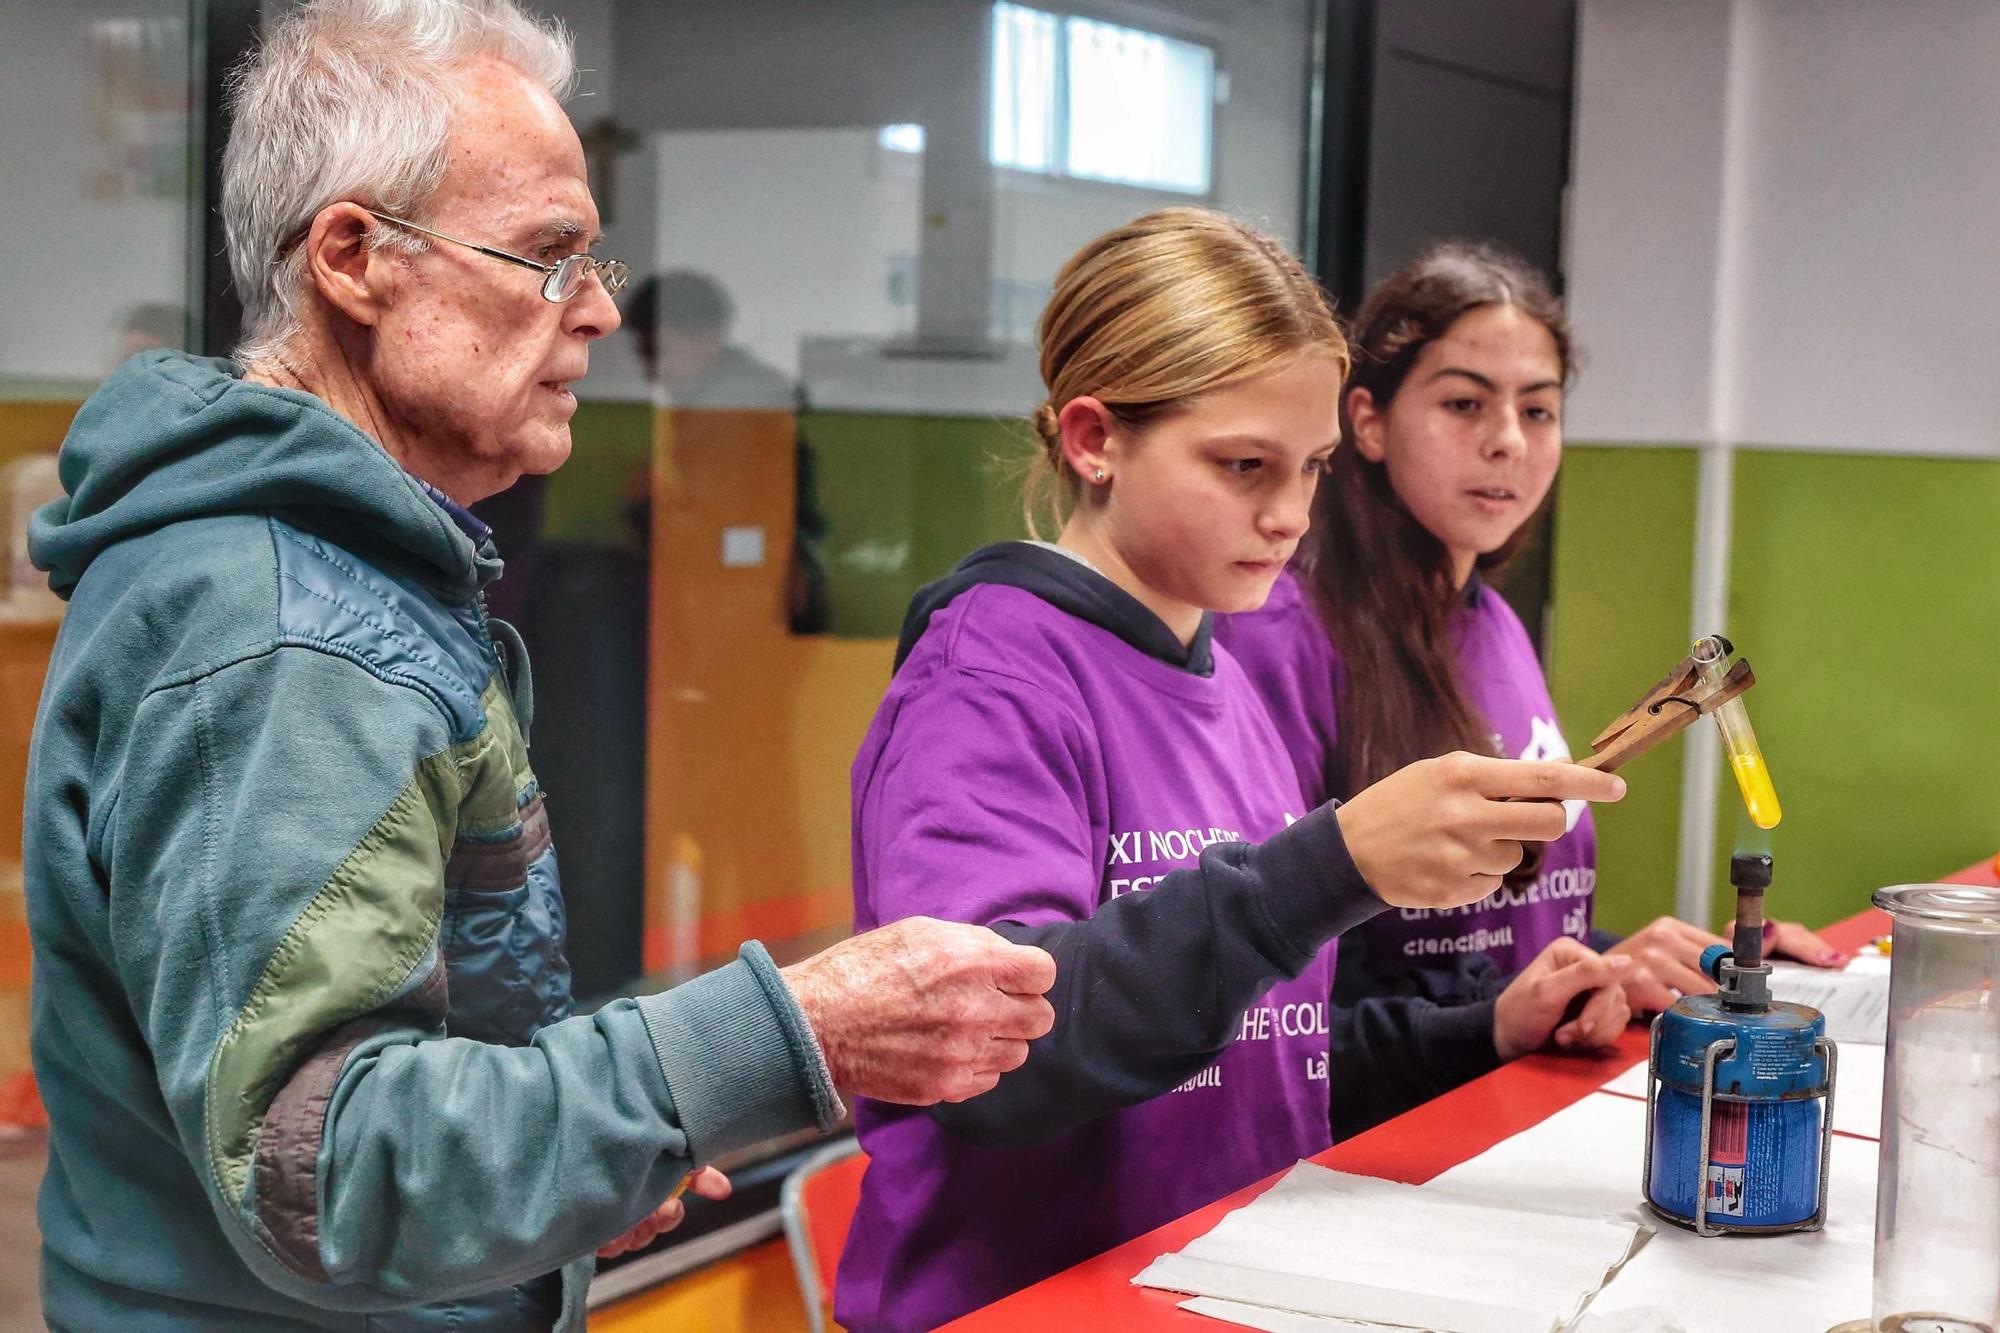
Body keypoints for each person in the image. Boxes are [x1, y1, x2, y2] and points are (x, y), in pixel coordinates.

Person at [20, 2, 1054, 1328]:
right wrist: (783, 1036)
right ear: (356, 257)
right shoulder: (283, 635)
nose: (602, 309)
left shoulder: (348, 577)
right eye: (550, 256)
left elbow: (405, 1070)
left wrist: (584, 1145)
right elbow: (331, 1172)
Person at [833, 209, 1630, 1331]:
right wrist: (1328, 864)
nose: (1288, 514)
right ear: (1093, 438)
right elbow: (991, 1054)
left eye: (1307, 469)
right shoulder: (990, 680)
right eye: (1242, 466)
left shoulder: (1224, 675)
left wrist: (1481, 1023)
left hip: (1224, 1281)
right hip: (1028, 1307)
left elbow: (1275, 1054)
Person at [1217, 240, 1844, 1139]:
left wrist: (1634, 962)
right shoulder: (1276, 638)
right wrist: (1490, 1027)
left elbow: (1498, 948)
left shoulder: (1493, 625)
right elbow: (1258, 1026)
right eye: (1465, 402)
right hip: (1353, 1171)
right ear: (1369, 421)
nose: (1508, 439)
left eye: (1538, 409)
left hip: (1503, 1123)